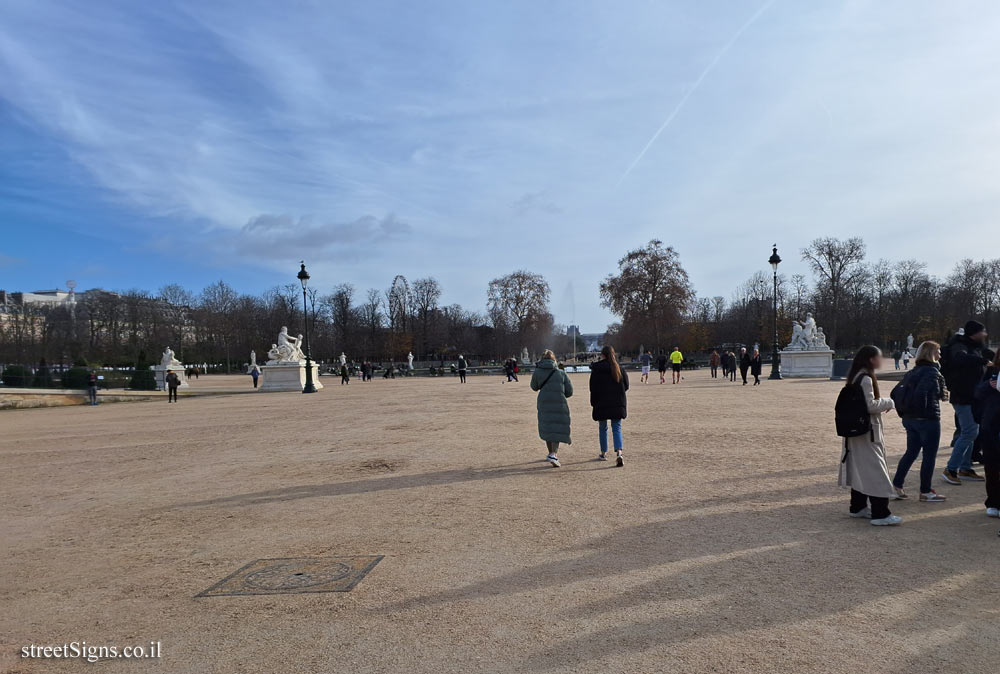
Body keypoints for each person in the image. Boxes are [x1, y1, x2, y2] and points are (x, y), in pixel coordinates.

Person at [839, 346, 901, 525]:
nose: (881, 360)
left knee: (860, 468)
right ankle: (881, 513)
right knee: (875, 471)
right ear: (871, 359)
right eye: (879, 357)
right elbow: (870, 405)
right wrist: (889, 402)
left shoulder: (855, 376)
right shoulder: (865, 378)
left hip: (856, 431)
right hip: (868, 431)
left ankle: (857, 506)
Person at [891, 341, 948, 502]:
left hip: (910, 419)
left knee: (911, 452)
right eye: (938, 352)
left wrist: (906, 413)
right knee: (929, 456)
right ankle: (925, 491)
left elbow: (896, 392)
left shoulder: (913, 371)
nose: (940, 355)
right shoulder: (931, 371)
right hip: (927, 418)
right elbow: (921, 394)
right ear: (931, 354)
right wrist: (923, 412)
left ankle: (897, 484)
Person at [941, 320, 989, 485]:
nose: (985, 335)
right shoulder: (959, 345)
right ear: (974, 333)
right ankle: (951, 469)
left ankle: (965, 467)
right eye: (983, 331)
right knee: (969, 432)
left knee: (972, 431)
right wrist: (982, 362)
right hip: (962, 396)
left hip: (972, 397)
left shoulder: (976, 346)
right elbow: (960, 359)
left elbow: (987, 355)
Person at [530, 349, 573, 468]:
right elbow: (569, 392)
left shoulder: (538, 372)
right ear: (554, 359)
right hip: (559, 402)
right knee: (557, 427)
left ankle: (551, 452)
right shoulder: (561, 373)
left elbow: (534, 387)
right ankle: (554, 454)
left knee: (548, 426)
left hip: (544, 402)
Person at [590, 345, 629, 467]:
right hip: (617, 402)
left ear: (602, 355)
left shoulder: (596, 369)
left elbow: (592, 388)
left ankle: (604, 453)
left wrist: (594, 402)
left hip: (601, 402)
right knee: (616, 427)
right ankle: (619, 452)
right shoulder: (619, 368)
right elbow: (626, 386)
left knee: (603, 428)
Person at [975, 352, 1000, 517]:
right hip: (992, 425)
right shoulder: (992, 371)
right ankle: (992, 502)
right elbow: (977, 393)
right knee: (992, 467)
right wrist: (988, 385)